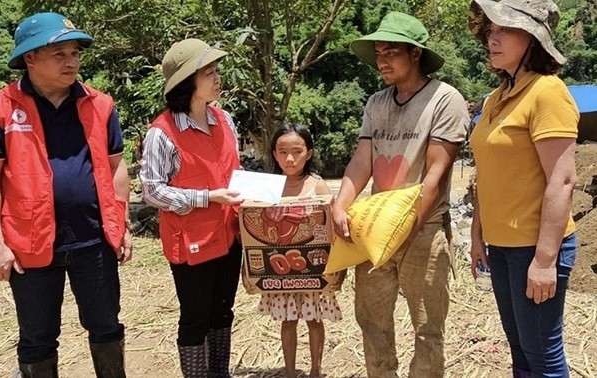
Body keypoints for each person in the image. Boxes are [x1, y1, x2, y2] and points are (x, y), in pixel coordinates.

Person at [0, 12, 131, 378]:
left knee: (106, 326)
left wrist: (122, 223)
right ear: (30, 58)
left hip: (94, 240)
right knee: (38, 337)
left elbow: (117, 166)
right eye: (59, 53)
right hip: (29, 244)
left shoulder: (100, 105)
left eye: (75, 52)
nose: (71, 61)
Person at [332, 12, 469, 377]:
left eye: (391, 51)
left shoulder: (445, 100)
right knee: (372, 323)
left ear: (415, 54)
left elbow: (435, 176)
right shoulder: (377, 103)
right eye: (378, 53)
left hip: (423, 231)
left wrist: (405, 231)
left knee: (427, 329)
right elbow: (363, 161)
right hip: (375, 228)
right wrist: (341, 204)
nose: (382, 61)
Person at [468, 1, 579, 376]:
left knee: (544, 357)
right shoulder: (495, 99)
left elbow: (562, 181)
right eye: (490, 30)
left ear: (532, 38)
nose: (492, 38)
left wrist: (545, 261)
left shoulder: (548, 92)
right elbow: (486, 173)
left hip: (535, 247)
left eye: (503, 29)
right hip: (502, 247)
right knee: (520, 351)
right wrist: (477, 235)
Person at [139, 38, 243, 378]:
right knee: (195, 316)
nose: (218, 78)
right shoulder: (162, 133)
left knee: (223, 311)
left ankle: (219, 373)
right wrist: (206, 197)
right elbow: (153, 192)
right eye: (209, 73)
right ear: (187, 82)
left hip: (228, 234)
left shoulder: (224, 119)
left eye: (217, 71)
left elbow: (234, 171)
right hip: (191, 241)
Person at [244, 124, 345, 378]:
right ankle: (289, 372)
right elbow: (250, 230)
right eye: (283, 151)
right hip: (279, 273)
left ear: (309, 153)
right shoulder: (266, 187)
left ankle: (315, 371)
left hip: (313, 271)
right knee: (287, 320)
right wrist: (248, 270)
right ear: (274, 154)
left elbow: (330, 231)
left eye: (297, 151)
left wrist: (337, 268)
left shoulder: (318, 186)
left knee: (314, 320)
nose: (290, 158)